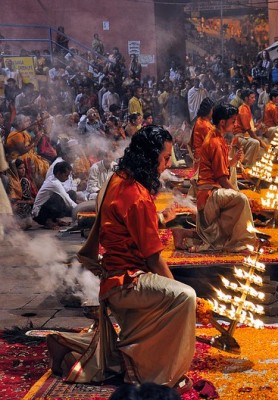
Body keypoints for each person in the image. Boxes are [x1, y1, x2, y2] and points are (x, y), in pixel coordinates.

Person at [47, 126, 196, 394]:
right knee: (185, 297)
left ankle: (132, 357)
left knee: (175, 295)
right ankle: (160, 376)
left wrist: (161, 220)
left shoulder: (117, 179)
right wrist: (181, 295)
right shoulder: (136, 194)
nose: (166, 165)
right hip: (125, 283)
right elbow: (153, 259)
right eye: (164, 158)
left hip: (114, 278)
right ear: (149, 157)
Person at [179, 104, 256, 253]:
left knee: (238, 197)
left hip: (212, 191)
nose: (234, 125)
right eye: (233, 121)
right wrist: (240, 194)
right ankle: (241, 241)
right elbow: (222, 179)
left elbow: (221, 167)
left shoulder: (217, 137)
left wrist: (233, 161)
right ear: (222, 122)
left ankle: (235, 237)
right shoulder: (215, 141)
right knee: (241, 199)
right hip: (209, 195)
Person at [31, 161, 77, 229]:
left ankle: (55, 219)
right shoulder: (54, 183)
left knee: (72, 193)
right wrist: (80, 209)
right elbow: (67, 199)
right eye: (66, 175)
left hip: (44, 210)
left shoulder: (54, 178)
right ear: (58, 173)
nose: (67, 178)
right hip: (39, 214)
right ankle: (48, 221)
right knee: (58, 197)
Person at [233, 89, 265, 168]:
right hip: (239, 137)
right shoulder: (243, 109)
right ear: (246, 98)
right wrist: (260, 141)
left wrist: (258, 127)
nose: (254, 99)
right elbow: (248, 129)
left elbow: (250, 129)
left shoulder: (247, 108)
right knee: (256, 143)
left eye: (254, 97)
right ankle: (246, 165)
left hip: (244, 136)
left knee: (262, 149)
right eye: (252, 97)